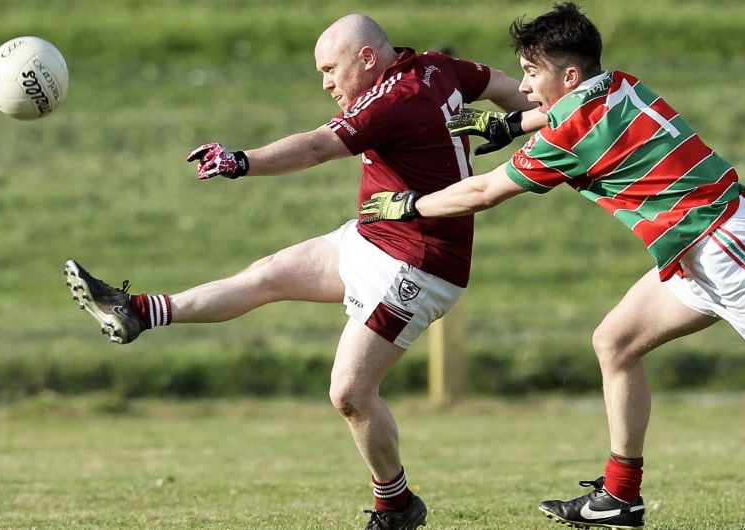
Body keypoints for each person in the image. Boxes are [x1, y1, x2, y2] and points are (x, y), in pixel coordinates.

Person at [359, 3, 745, 528]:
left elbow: (482, 191)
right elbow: (560, 111)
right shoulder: (617, 83)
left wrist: (410, 205)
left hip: (723, 246)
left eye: (530, 73)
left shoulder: (571, 136)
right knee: (615, 342)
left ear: (569, 74)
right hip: (697, 251)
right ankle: (620, 498)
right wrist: (512, 126)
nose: (522, 85)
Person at [64, 13, 534, 530]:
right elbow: (504, 87)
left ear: (367, 59)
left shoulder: (390, 100)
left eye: (330, 70)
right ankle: (138, 313)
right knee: (266, 275)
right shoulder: (436, 68)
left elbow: (314, 147)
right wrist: (527, 122)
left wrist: (240, 161)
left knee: (349, 394)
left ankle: (397, 505)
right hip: (375, 236)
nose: (326, 83)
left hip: (418, 264)